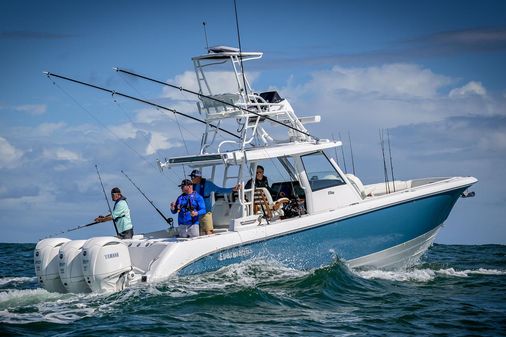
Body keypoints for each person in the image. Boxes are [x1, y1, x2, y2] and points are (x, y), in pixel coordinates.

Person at [189, 169, 240, 235]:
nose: (192, 179)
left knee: (208, 231)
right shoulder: (192, 186)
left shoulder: (208, 184)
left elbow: (220, 190)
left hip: (206, 212)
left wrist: (232, 189)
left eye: (193, 177)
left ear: (199, 177)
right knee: (197, 232)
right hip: (195, 213)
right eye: (191, 177)